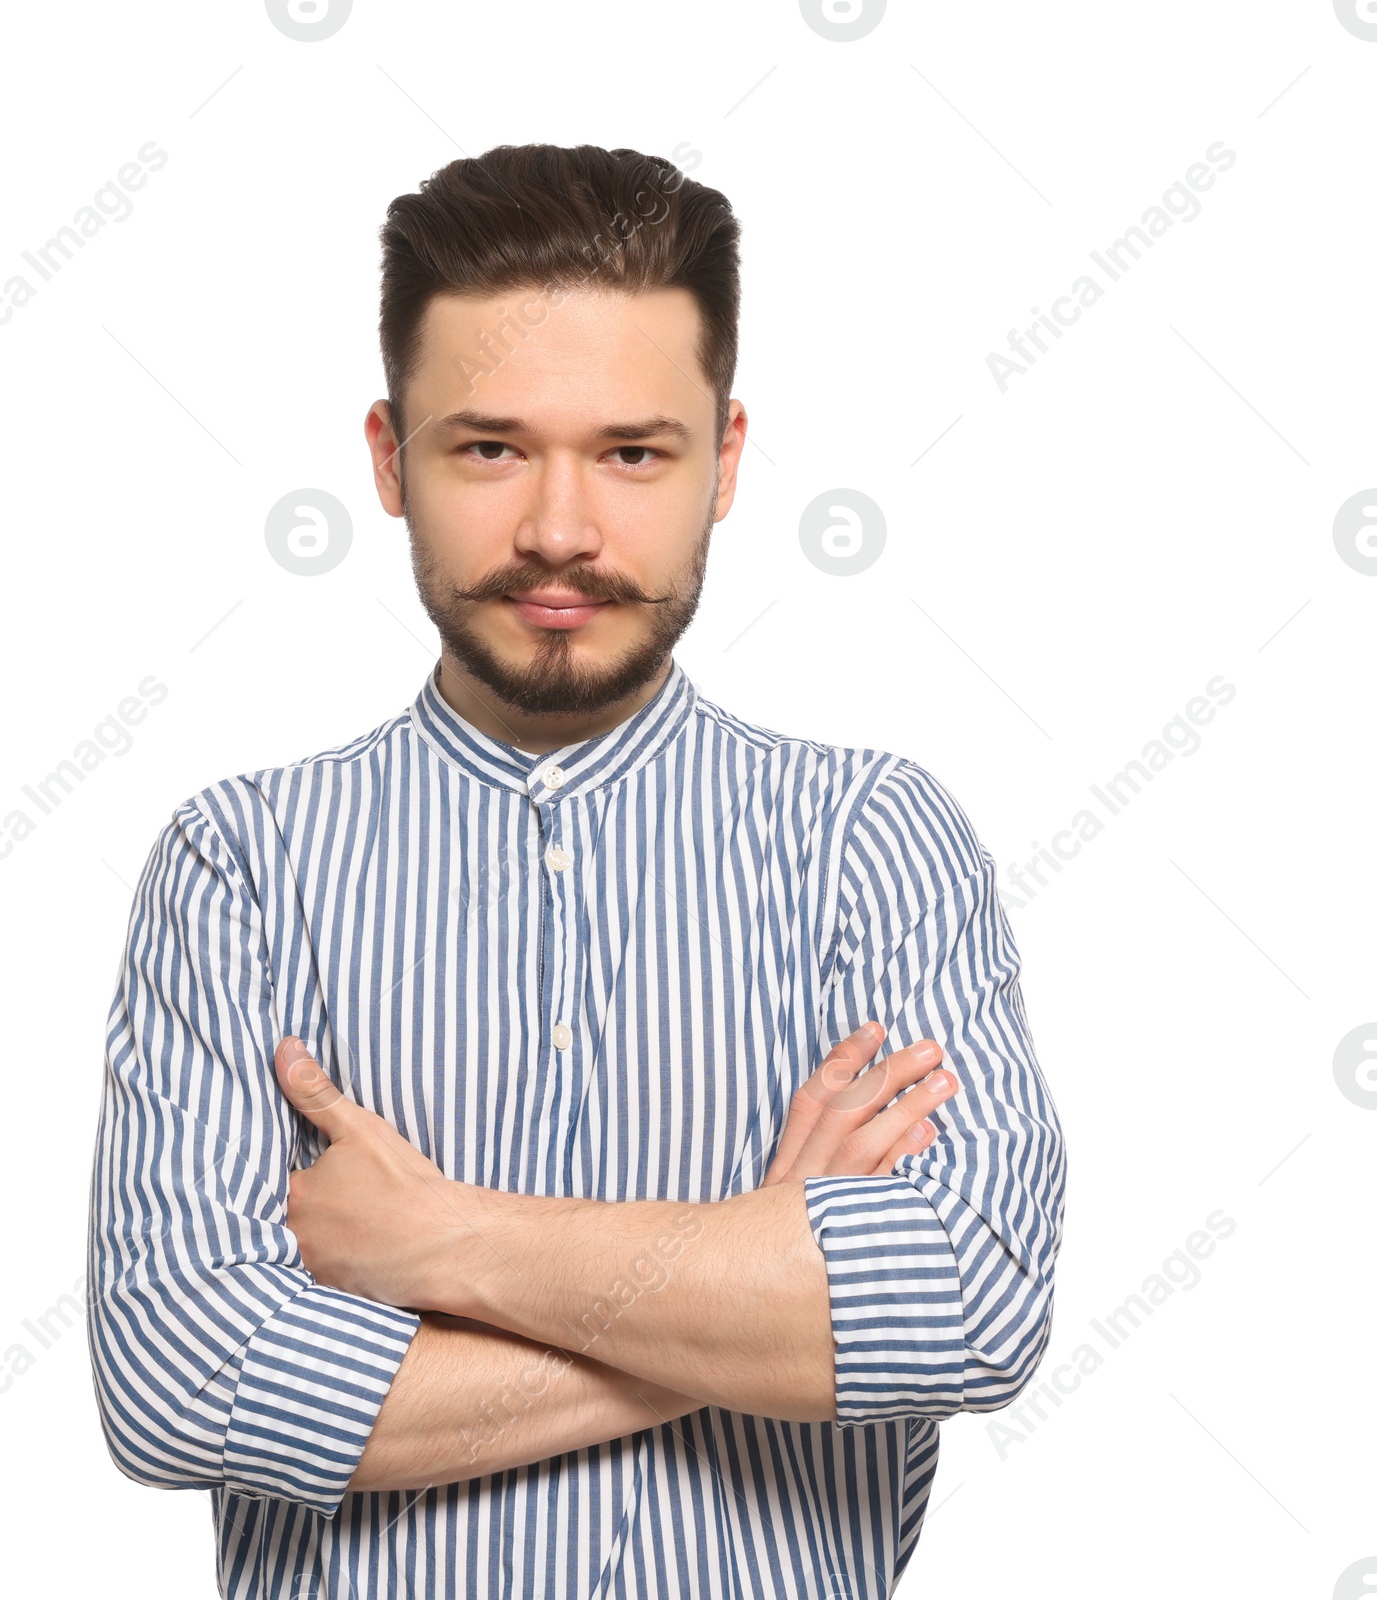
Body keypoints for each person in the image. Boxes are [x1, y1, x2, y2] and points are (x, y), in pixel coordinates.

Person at [86, 142, 1067, 1600]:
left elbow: (970, 1306)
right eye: (489, 447)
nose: (559, 529)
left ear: (725, 462)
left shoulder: (872, 842)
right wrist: (751, 1281)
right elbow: (184, 1383)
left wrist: (442, 1243)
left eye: (631, 452)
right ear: (386, 460)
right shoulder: (239, 866)